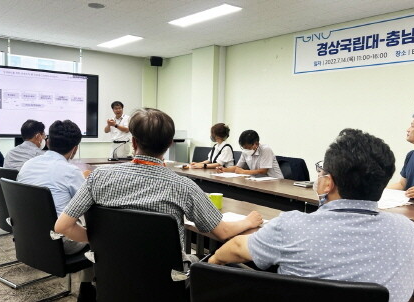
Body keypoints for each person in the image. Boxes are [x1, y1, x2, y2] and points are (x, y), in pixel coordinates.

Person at [209, 129, 414, 302]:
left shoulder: (291, 226)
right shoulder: (409, 231)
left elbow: (237, 248)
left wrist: (212, 262)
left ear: (328, 183)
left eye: (321, 171)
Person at [55, 108, 263, 263]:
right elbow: (222, 232)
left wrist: (102, 242)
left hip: (112, 274)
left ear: (134, 143)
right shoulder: (183, 186)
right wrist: (248, 220)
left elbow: (62, 226)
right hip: (167, 283)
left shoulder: (98, 177)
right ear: (169, 144)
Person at [17, 120, 90, 255]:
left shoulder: (28, 164)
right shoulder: (71, 171)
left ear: (48, 142)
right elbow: (89, 208)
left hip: (27, 236)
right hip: (59, 242)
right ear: (75, 149)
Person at [217, 130, 283, 179]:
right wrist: (224, 170)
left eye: (248, 148)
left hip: (275, 181)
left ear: (256, 144)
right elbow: (238, 168)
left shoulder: (265, 149)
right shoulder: (245, 151)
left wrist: (243, 172)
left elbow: (263, 171)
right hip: (258, 180)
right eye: (244, 148)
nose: (246, 150)